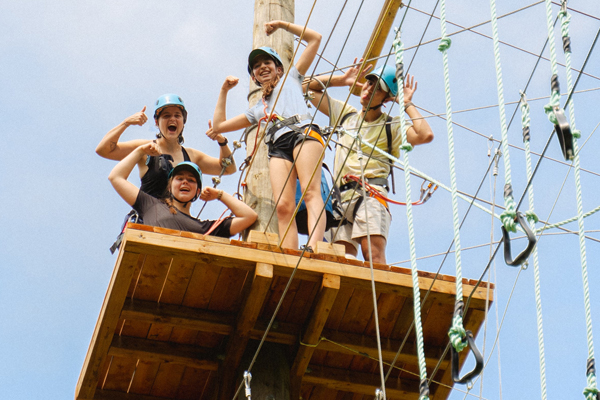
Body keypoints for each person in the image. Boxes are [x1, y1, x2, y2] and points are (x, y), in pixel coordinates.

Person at [207, 20, 324, 251]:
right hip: (278, 145)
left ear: (279, 68)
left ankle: (314, 246)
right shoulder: (258, 109)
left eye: (267, 62)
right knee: (283, 205)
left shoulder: (291, 79)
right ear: (254, 77)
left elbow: (315, 38)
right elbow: (219, 125)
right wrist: (224, 90)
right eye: (257, 66)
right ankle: (290, 252)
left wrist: (282, 25)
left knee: (311, 192)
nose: (262, 67)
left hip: (303, 133)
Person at [303, 61, 434, 263]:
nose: (369, 88)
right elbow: (304, 86)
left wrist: (406, 104)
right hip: (340, 196)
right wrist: (342, 80)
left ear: (386, 98)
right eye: (369, 83)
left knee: (373, 255)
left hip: (370, 193)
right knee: (335, 259)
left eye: (377, 88)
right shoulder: (345, 115)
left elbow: (425, 135)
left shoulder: (392, 126)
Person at [97, 93, 236, 199]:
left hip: (176, 225)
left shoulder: (191, 156)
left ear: (183, 121)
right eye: (166, 116)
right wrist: (126, 123)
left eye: (177, 115)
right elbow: (104, 150)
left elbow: (228, 169)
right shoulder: (145, 148)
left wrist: (222, 142)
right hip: (148, 222)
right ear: (157, 123)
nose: (172, 119)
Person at [109, 142, 257, 237]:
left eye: (191, 180)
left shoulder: (204, 228)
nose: (185, 182)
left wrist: (220, 194)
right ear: (170, 186)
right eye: (179, 178)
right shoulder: (151, 205)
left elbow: (249, 217)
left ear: (197, 192)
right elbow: (115, 177)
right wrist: (140, 151)